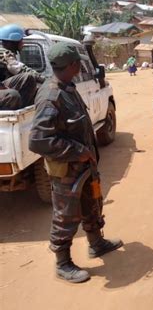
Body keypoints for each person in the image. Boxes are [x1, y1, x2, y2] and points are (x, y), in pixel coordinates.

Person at [28, 42, 123, 283]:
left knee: (92, 203)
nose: (80, 66)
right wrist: (76, 151)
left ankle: (96, 243)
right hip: (67, 171)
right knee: (66, 215)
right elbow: (39, 141)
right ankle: (62, 263)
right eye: (78, 63)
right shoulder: (51, 95)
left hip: (83, 168)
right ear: (72, 65)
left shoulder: (68, 87)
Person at [0, 24, 44, 110]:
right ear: (13, 41)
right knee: (28, 77)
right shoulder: (4, 53)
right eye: (21, 40)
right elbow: (20, 69)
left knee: (36, 89)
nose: (23, 43)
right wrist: (45, 79)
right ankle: (19, 110)